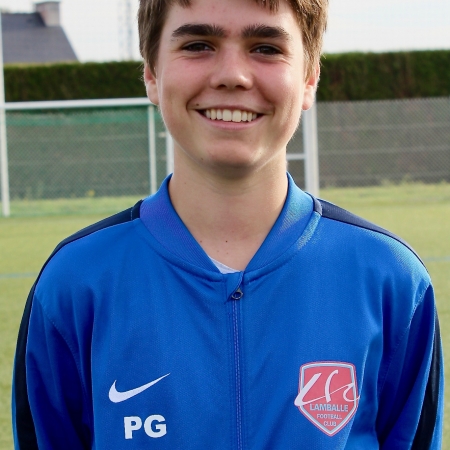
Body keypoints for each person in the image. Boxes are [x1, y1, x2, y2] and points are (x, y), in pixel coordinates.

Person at [12, 0, 443, 448]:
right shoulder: (74, 283)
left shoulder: (390, 280)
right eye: (198, 45)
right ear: (152, 74)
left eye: (266, 48)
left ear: (310, 78)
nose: (232, 75)